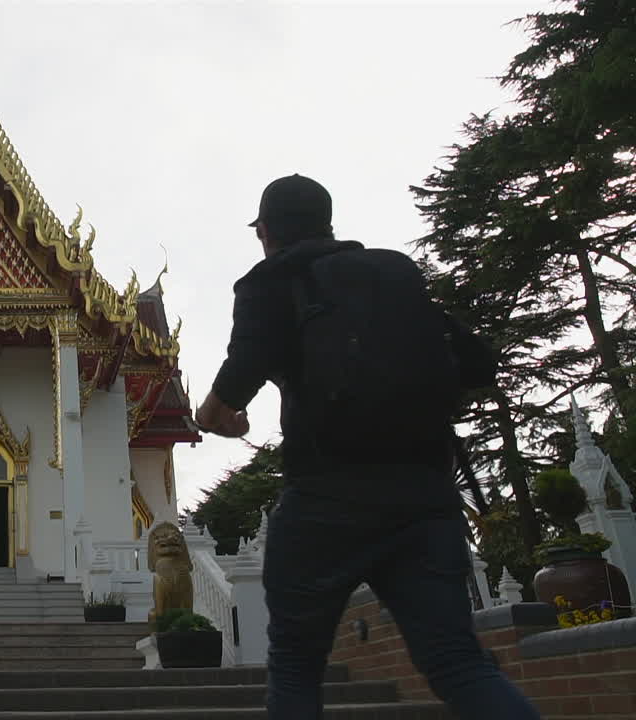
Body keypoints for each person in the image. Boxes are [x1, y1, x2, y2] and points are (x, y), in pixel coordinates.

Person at [196, 175, 540, 719]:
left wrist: (223, 422)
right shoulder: (394, 272)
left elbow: (224, 398)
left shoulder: (272, 281)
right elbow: (476, 364)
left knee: (295, 667)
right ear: (330, 224)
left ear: (264, 232)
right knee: (457, 663)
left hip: (326, 500)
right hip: (425, 496)